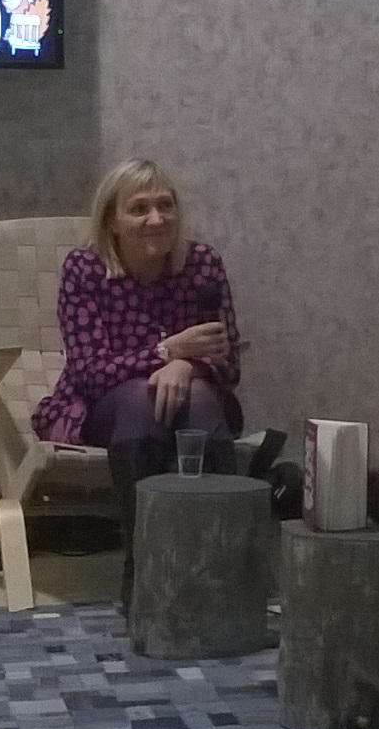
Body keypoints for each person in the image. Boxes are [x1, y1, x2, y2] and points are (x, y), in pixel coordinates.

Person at [31, 159, 244, 608]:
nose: (156, 218)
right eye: (139, 208)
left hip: (194, 401)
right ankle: (149, 570)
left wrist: (186, 366)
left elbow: (228, 363)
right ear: (112, 221)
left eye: (165, 205)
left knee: (201, 398)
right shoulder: (85, 269)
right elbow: (89, 372)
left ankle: (213, 569)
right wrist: (167, 352)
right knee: (140, 402)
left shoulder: (202, 265)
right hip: (106, 409)